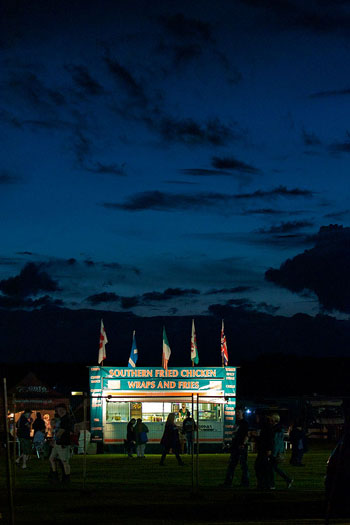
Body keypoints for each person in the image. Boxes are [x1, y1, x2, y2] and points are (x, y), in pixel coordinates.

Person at [222, 408, 249, 487]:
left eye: (238, 412)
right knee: (233, 465)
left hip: (241, 447)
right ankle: (229, 482)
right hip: (235, 446)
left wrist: (243, 444)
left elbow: (246, 435)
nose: (237, 414)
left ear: (242, 413)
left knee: (243, 465)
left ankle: (245, 482)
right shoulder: (237, 423)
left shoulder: (244, 423)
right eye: (236, 412)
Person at [48, 404, 73, 483]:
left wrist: (54, 439)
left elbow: (61, 432)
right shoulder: (62, 419)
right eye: (59, 411)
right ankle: (56, 475)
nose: (60, 412)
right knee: (52, 458)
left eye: (61, 410)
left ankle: (65, 477)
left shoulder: (65, 420)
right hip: (59, 442)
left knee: (64, 461)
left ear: (65, 410)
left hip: (62, 442)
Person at [270, 413, 293, 489]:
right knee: (273, 468)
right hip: (278, 451)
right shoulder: (278, 429)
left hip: (275, 452)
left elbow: (276, 442)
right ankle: (287, 479)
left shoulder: (276, 430)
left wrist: (274, 453)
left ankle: (272, 484)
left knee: (272, 468)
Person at [254, 414, 274, 490]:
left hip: (264, 450)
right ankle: (264, 483)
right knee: (262, 467)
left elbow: (269, 439)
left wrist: (269, 449)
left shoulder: (266, 428)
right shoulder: (264, 427)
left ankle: (264, 484)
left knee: (261, 467)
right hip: (263, 450)